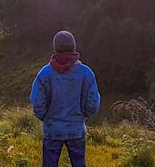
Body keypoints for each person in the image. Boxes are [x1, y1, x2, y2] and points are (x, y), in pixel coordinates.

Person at [30, 30, 101, 167]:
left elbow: (37, 102)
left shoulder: (44, 73)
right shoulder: (86, 73)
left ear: (55, 48)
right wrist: (84, 115)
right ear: (73, 47)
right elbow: (93, 102)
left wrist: (45, 117)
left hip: (52, 129)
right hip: (76, 129)